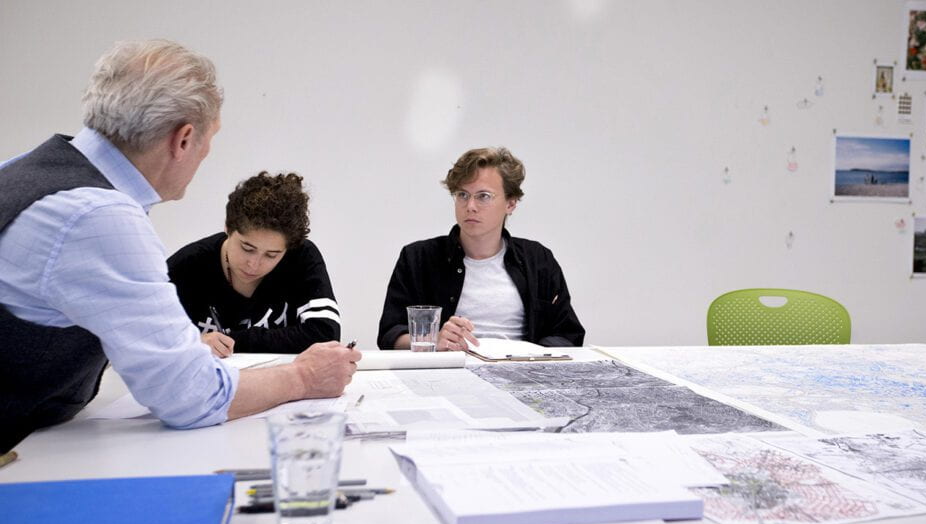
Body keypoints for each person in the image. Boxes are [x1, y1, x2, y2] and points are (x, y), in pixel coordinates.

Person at [0, 40, 360, 453]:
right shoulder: (99, 216)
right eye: (211, 139)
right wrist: (303, 377)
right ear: (184, 139)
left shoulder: (19, 170)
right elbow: (191, 395)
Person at [377, 147, 585, 351]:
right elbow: (389, 334)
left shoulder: (538, 259)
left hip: (521, 374)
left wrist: (533, 356)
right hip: (447, 374)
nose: (470, 206)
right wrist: (432, 341)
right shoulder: (418, 258)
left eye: (483, 196)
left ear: (510, 203)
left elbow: (568, 334)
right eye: (463, 195)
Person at [168, 171, 341, 357]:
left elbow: (325, 335)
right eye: (247, 248)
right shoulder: (187, 265)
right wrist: (192, 344)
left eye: (272, 255)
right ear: (228, 227)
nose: (254, 265)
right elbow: (141, 337)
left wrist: (230, 340)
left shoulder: (301, 256)